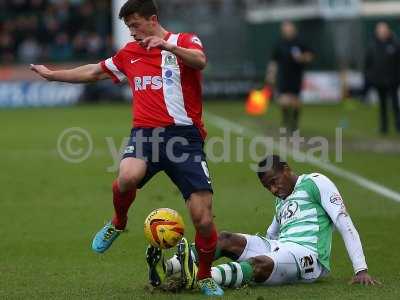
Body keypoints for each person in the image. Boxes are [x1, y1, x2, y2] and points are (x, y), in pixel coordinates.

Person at [30, 0, 223, 296]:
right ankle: (118, 222)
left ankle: (206, 275)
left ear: (152, 19)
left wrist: (168, 48)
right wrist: (53, 74)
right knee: (127, 176)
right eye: (128, 26)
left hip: (185, 138)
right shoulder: (129, 54)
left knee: (204, 219)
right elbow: (94, 71)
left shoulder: (183, 41)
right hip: (145, 134)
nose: (131, 32)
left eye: (135, 25)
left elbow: (200, 61)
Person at [148, 155, 379, 290]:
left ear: (286, 170)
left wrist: (361, 269)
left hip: (308, 257)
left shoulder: (315, 182)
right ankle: (168, 267)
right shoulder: (282, 200)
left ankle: (201, 279)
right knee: (225, 238)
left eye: (275, 182)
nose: (273, 189)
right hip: (280, 247)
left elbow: (344, 223)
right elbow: (271, 235)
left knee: (260, 263)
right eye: (267, 187)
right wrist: (248, 244)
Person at [266, 21, 313, 133]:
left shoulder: (300, 42)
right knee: (283, 100)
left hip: (296, 75)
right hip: (283, 75)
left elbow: (310, 56)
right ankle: (286, 121)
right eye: (285, 29)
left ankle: (294, 124)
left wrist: (302, 58)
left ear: (293, 29)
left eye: (289, 29)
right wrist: (271, 74)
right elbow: (274, 61)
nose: (287, 31)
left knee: (295, 100)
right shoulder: (279, 44)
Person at [364, 22, 400, 135]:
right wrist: (370, 76)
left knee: (395, 104)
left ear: (388, 30)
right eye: (380, 30)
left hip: (393, 80)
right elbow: (368, 63)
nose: (382, 32)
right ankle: (383, 127)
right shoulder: (372, 45)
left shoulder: (395, 44)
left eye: (384, 29)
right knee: (382, 105)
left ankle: (398, 126)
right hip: (378, 80)